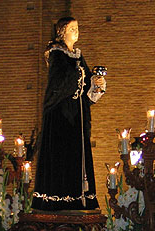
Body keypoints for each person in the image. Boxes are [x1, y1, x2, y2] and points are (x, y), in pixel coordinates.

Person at [32, 17, 106, 211]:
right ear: (62, 32)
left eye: (77, 28)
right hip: (61, 117)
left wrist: (96, 85)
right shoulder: (57, 54)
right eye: (72, 28)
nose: (76, 31)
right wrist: (79, 75)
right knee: (62, 157)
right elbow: (58, 85)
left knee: (78, 156)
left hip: (77, 117)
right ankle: (60, 200)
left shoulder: (78, 56)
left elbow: (85, 90)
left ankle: (80, 198)